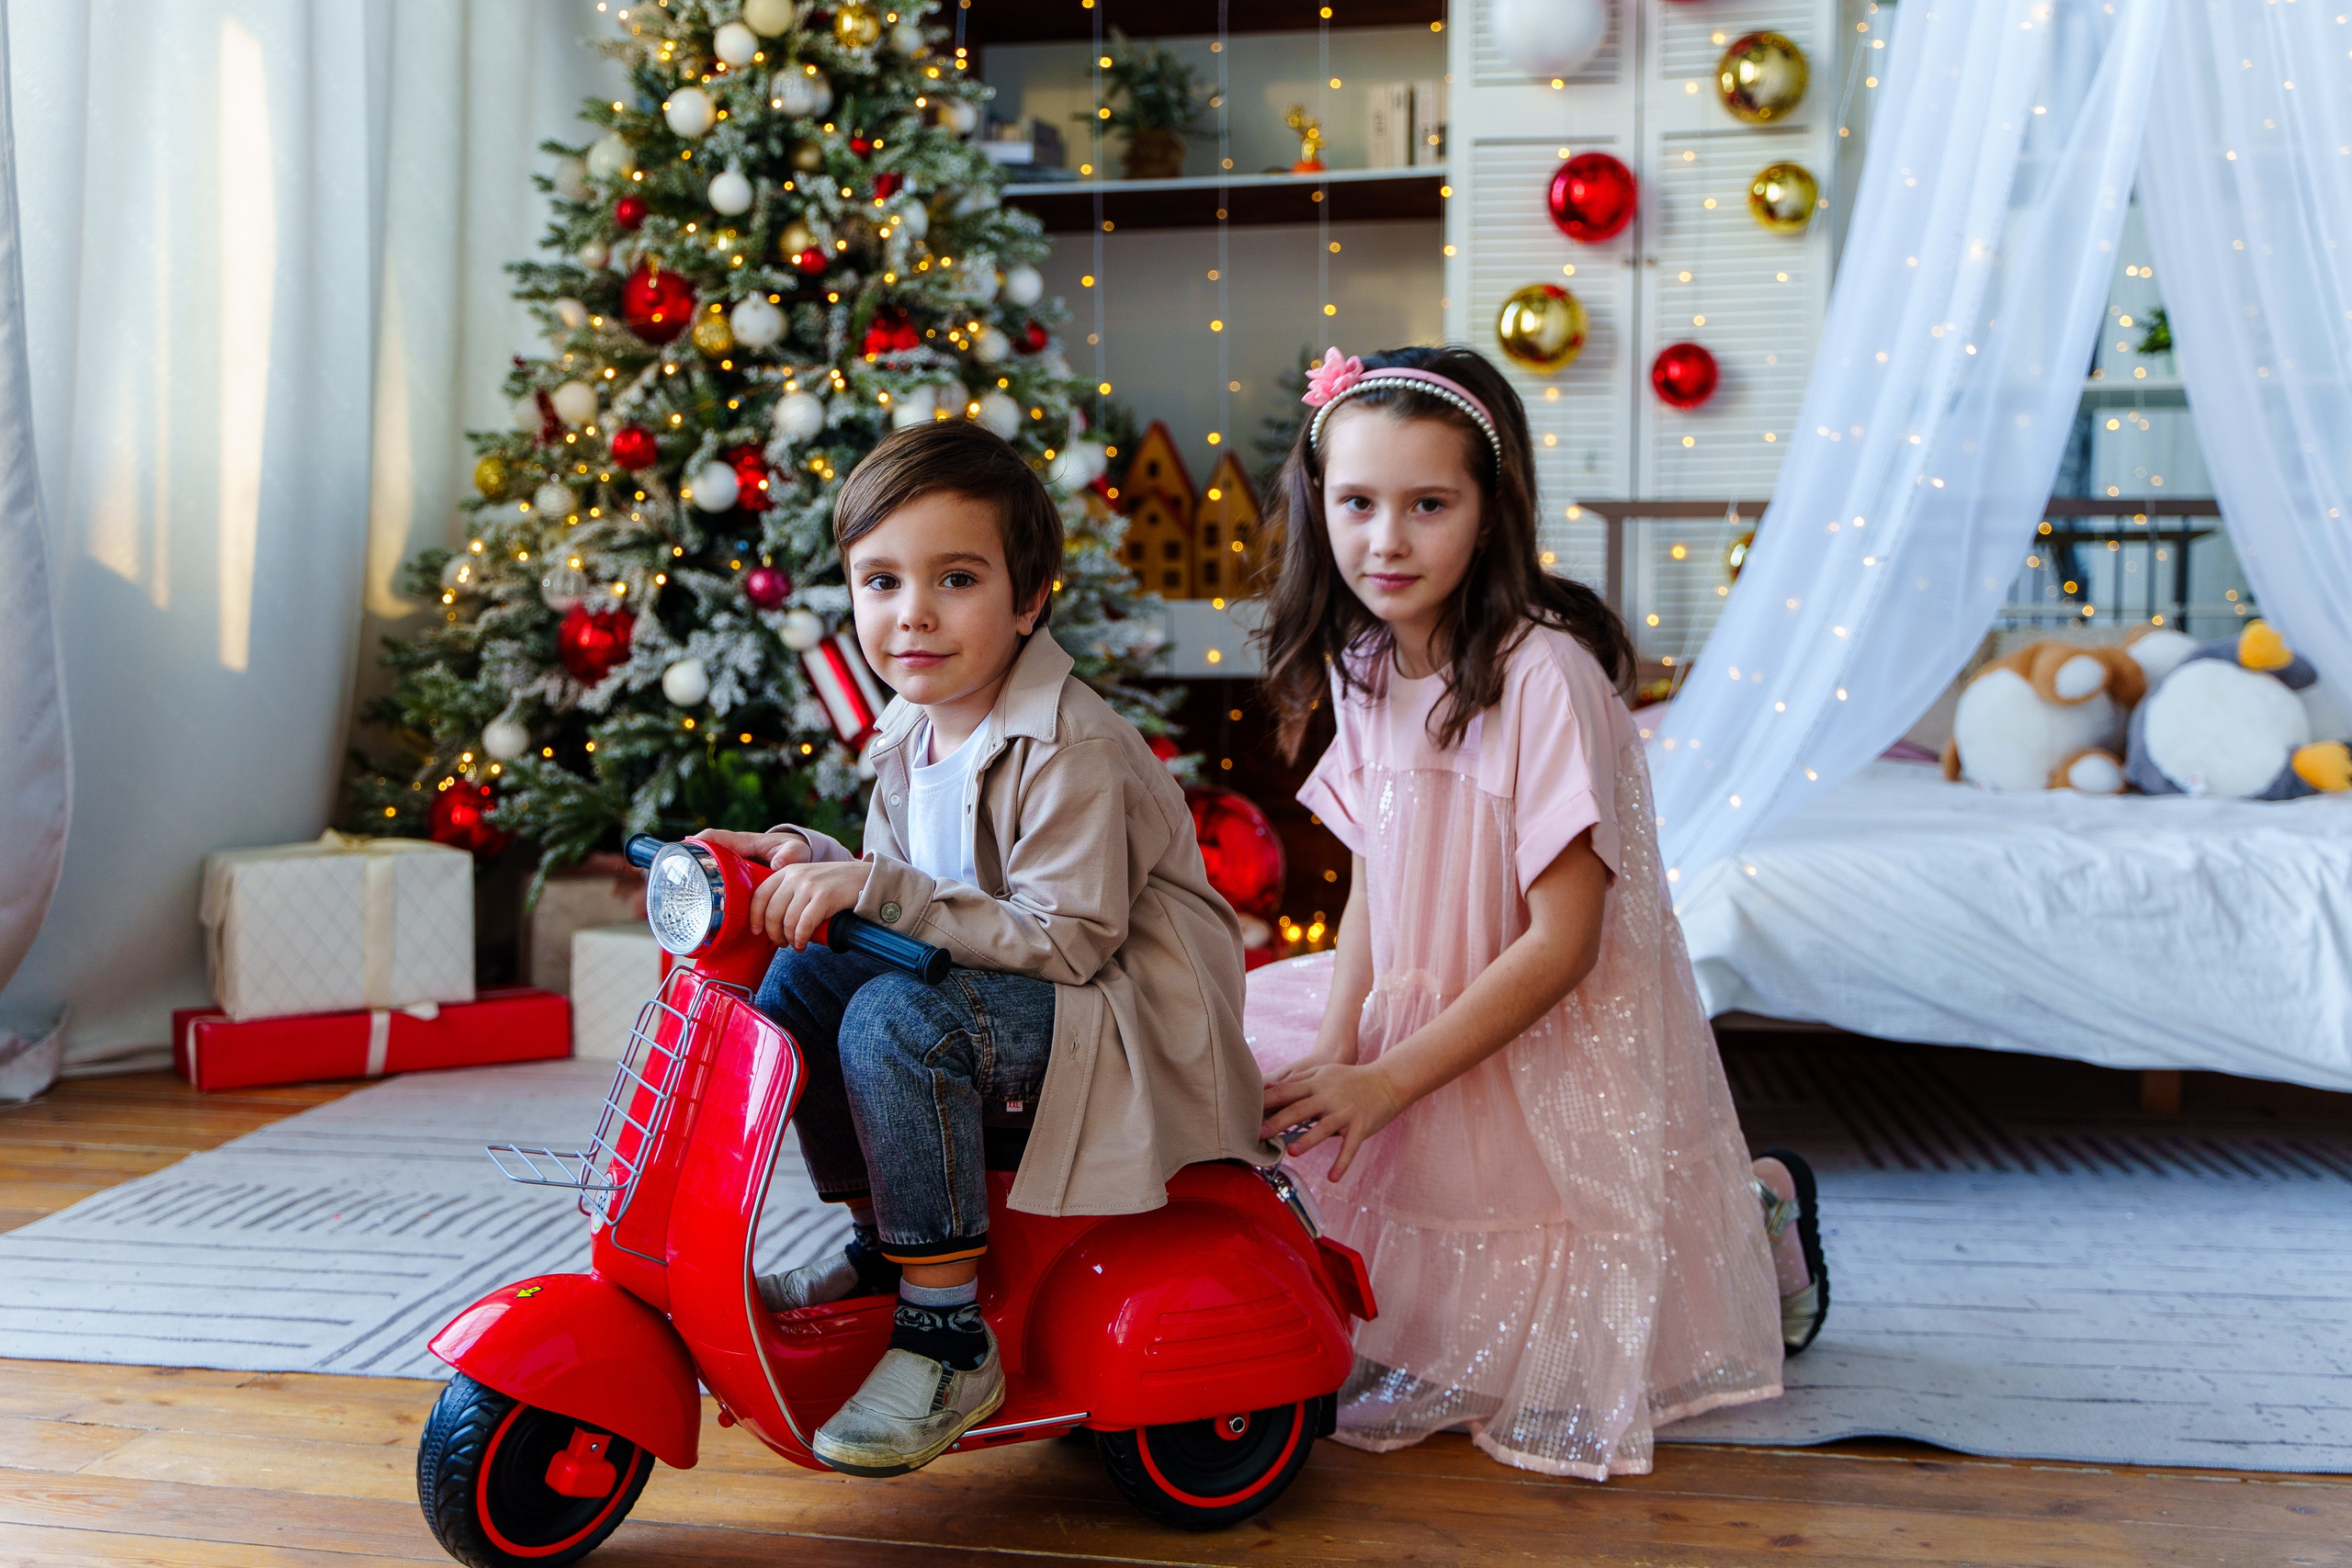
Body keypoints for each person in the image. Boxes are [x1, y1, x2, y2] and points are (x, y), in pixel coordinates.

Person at [1248, 344, 1828, 1481]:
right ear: (1319, 506)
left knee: (1541, 1350)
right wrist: (1341, 1047)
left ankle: (1763, 1205)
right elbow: (1377, 871)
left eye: (1429, 505)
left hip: (1538, 1019)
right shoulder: (1366, 661)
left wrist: (1390, 1079)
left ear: (1489, 510)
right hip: (1418, 1004)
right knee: (1259, 1093)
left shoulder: (1546, 678)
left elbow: (1563, 948)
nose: (1387, 540)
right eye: (1357, 504)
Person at [696, 421, 1273, 1478]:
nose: (910, 613)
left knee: (895, 1019)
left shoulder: (1072, 746)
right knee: (808, 978)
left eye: (954, 578)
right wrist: (811, 859)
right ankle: (887, 1241)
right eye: (879, 581)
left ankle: (948, 1335)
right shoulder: (913, 728)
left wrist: (873, 888)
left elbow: (1067, 941)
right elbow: (914, 895)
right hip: (1013, 989)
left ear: (1029, 598)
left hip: (1118, 1011)